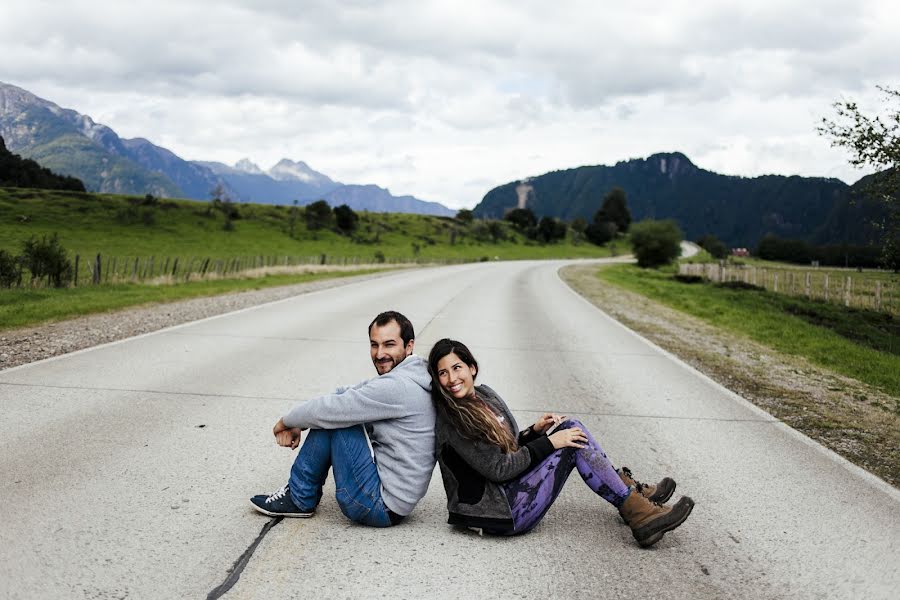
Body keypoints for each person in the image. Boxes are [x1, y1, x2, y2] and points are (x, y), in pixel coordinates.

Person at [427, 338, 694, 547]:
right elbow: (499, 468)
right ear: (437, 381)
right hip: (499, 511)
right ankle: (638, 512)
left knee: (571, 427)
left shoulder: (485, 395)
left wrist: (535, 431)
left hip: (509, 492)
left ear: (471, 367)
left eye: (457, 367)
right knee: (568, 442)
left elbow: (508, 447)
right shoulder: (453, 419)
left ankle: (630, 494)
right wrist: (551, 442)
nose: (452, 379)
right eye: (443, 373)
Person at [250, 311, 436, 527]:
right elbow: (349, 393)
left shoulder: (399, 387)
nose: (379, 353)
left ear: (409, 345)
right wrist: (305, 419)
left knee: (334, 419)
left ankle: (299, 497)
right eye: (374, 345)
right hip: (394, 503)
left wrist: (287, 422)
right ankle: (300, 495)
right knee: (335, 412)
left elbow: (332, 410)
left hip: (377, 506)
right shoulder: (412, 376)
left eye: (389, 344)